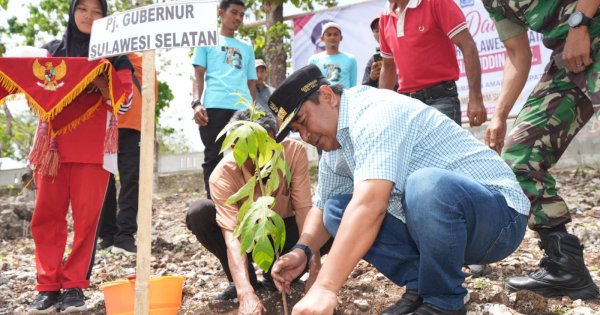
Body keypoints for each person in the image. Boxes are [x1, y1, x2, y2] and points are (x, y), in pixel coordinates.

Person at [268, 64, 530, 315]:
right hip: (440, 231)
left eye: (302, 121)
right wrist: (300, 250)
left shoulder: (374, 113)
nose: (304, 135)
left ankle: (443, 300)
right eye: (296, 130)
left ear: (327, 96)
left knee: (425, 185)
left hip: (498, 219)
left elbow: (371, 205)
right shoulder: (334, 147)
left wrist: (325, 287)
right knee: (338, 209)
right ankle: (422, 285)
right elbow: (323, 206)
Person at [483, 0, 600, 300]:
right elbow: (517, 53)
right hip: (570, 58)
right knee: (519, 156)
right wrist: (499, 115)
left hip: (589, 29)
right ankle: (565, 265)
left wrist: (579, 23)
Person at [27, 0, 133, 313]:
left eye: (97, 11)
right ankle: (47, 287)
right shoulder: (51, 51)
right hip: (52, 148)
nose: (88, 16)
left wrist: (103, 83)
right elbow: (33, 91)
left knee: (87, 222)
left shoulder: (116, 54)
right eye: (82, 9)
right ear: (72, 12)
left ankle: (74, 286)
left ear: (105, 16)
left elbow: (123, 104)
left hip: (93, 148)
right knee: (46, 217)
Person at [186, 110, 330, 312]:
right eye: (251, 151)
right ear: (235, 147)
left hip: (287, 236)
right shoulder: (222, 176)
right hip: (249, 238)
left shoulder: (293, 152)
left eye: (266, 147)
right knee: (200, 212)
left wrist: (315, 270)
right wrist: (244, 293)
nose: (260, 158)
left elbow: (304, 211)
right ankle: (246, 283)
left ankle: (280, 275)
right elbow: (232, 238)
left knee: (331, 214)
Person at [378, 0, 487, 127]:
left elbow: (468, 45)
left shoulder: (436, 2)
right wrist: (382, 109)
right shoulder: (385, 16)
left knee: (445, 147)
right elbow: (388, 66)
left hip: (441, 99)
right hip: (407, 105)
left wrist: (476, 98)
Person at [191, 0, 257, 199]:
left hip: (242, 111)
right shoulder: (206, 40)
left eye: (242, 15)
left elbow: (252, 83)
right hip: (215, 107)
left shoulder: (246, 47)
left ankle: (246, 208)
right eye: (234, 12)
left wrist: (253, 110)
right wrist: (196, 104)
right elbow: (198, 76)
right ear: (221, 13)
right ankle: (214, 208)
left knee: (247, 159)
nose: (238, 18)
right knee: (214, 158)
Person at [98, 52, 158, 256]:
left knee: (131, 180)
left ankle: (125, 236)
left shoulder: (145, 58)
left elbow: (151, 97)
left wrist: (149, 129)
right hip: (102, 124)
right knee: (103, 182)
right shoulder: (101, 54)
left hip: (133, 127)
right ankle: (107, 234)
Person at [308, 22, 357, 88]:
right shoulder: (313, 60)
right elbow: (311, 86)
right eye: (329, 34)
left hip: (345, 97)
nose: (332, 37)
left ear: (341, 38)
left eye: (335, 34)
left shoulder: (350, 59)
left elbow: (353, 87)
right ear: (322, 38)